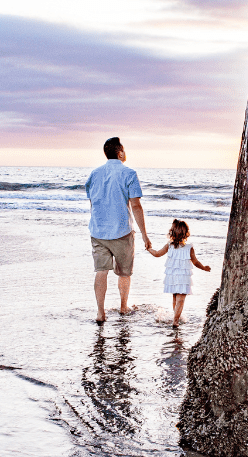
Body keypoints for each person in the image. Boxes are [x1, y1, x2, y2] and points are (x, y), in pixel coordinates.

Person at [87, 137, 152, 322]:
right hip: (122, 231)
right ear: (120, 152)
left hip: (98, 231)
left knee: (101, 271)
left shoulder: (94, 174)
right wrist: (145, 235)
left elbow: (93, 201)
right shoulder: (129, 173)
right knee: (124, 272)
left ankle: (100, 312)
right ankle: (123, 307)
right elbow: (136, 205)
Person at [147, 218, 211, 325]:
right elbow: (195, 262)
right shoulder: (175, 246)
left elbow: (157, 254)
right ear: (186, 233)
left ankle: (176, 319)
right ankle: (176, 320)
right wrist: (204, 267)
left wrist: (149, 249)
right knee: (178, 300)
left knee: (177, 299)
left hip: (173, 276)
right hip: (180, 277)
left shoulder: (181, 247)